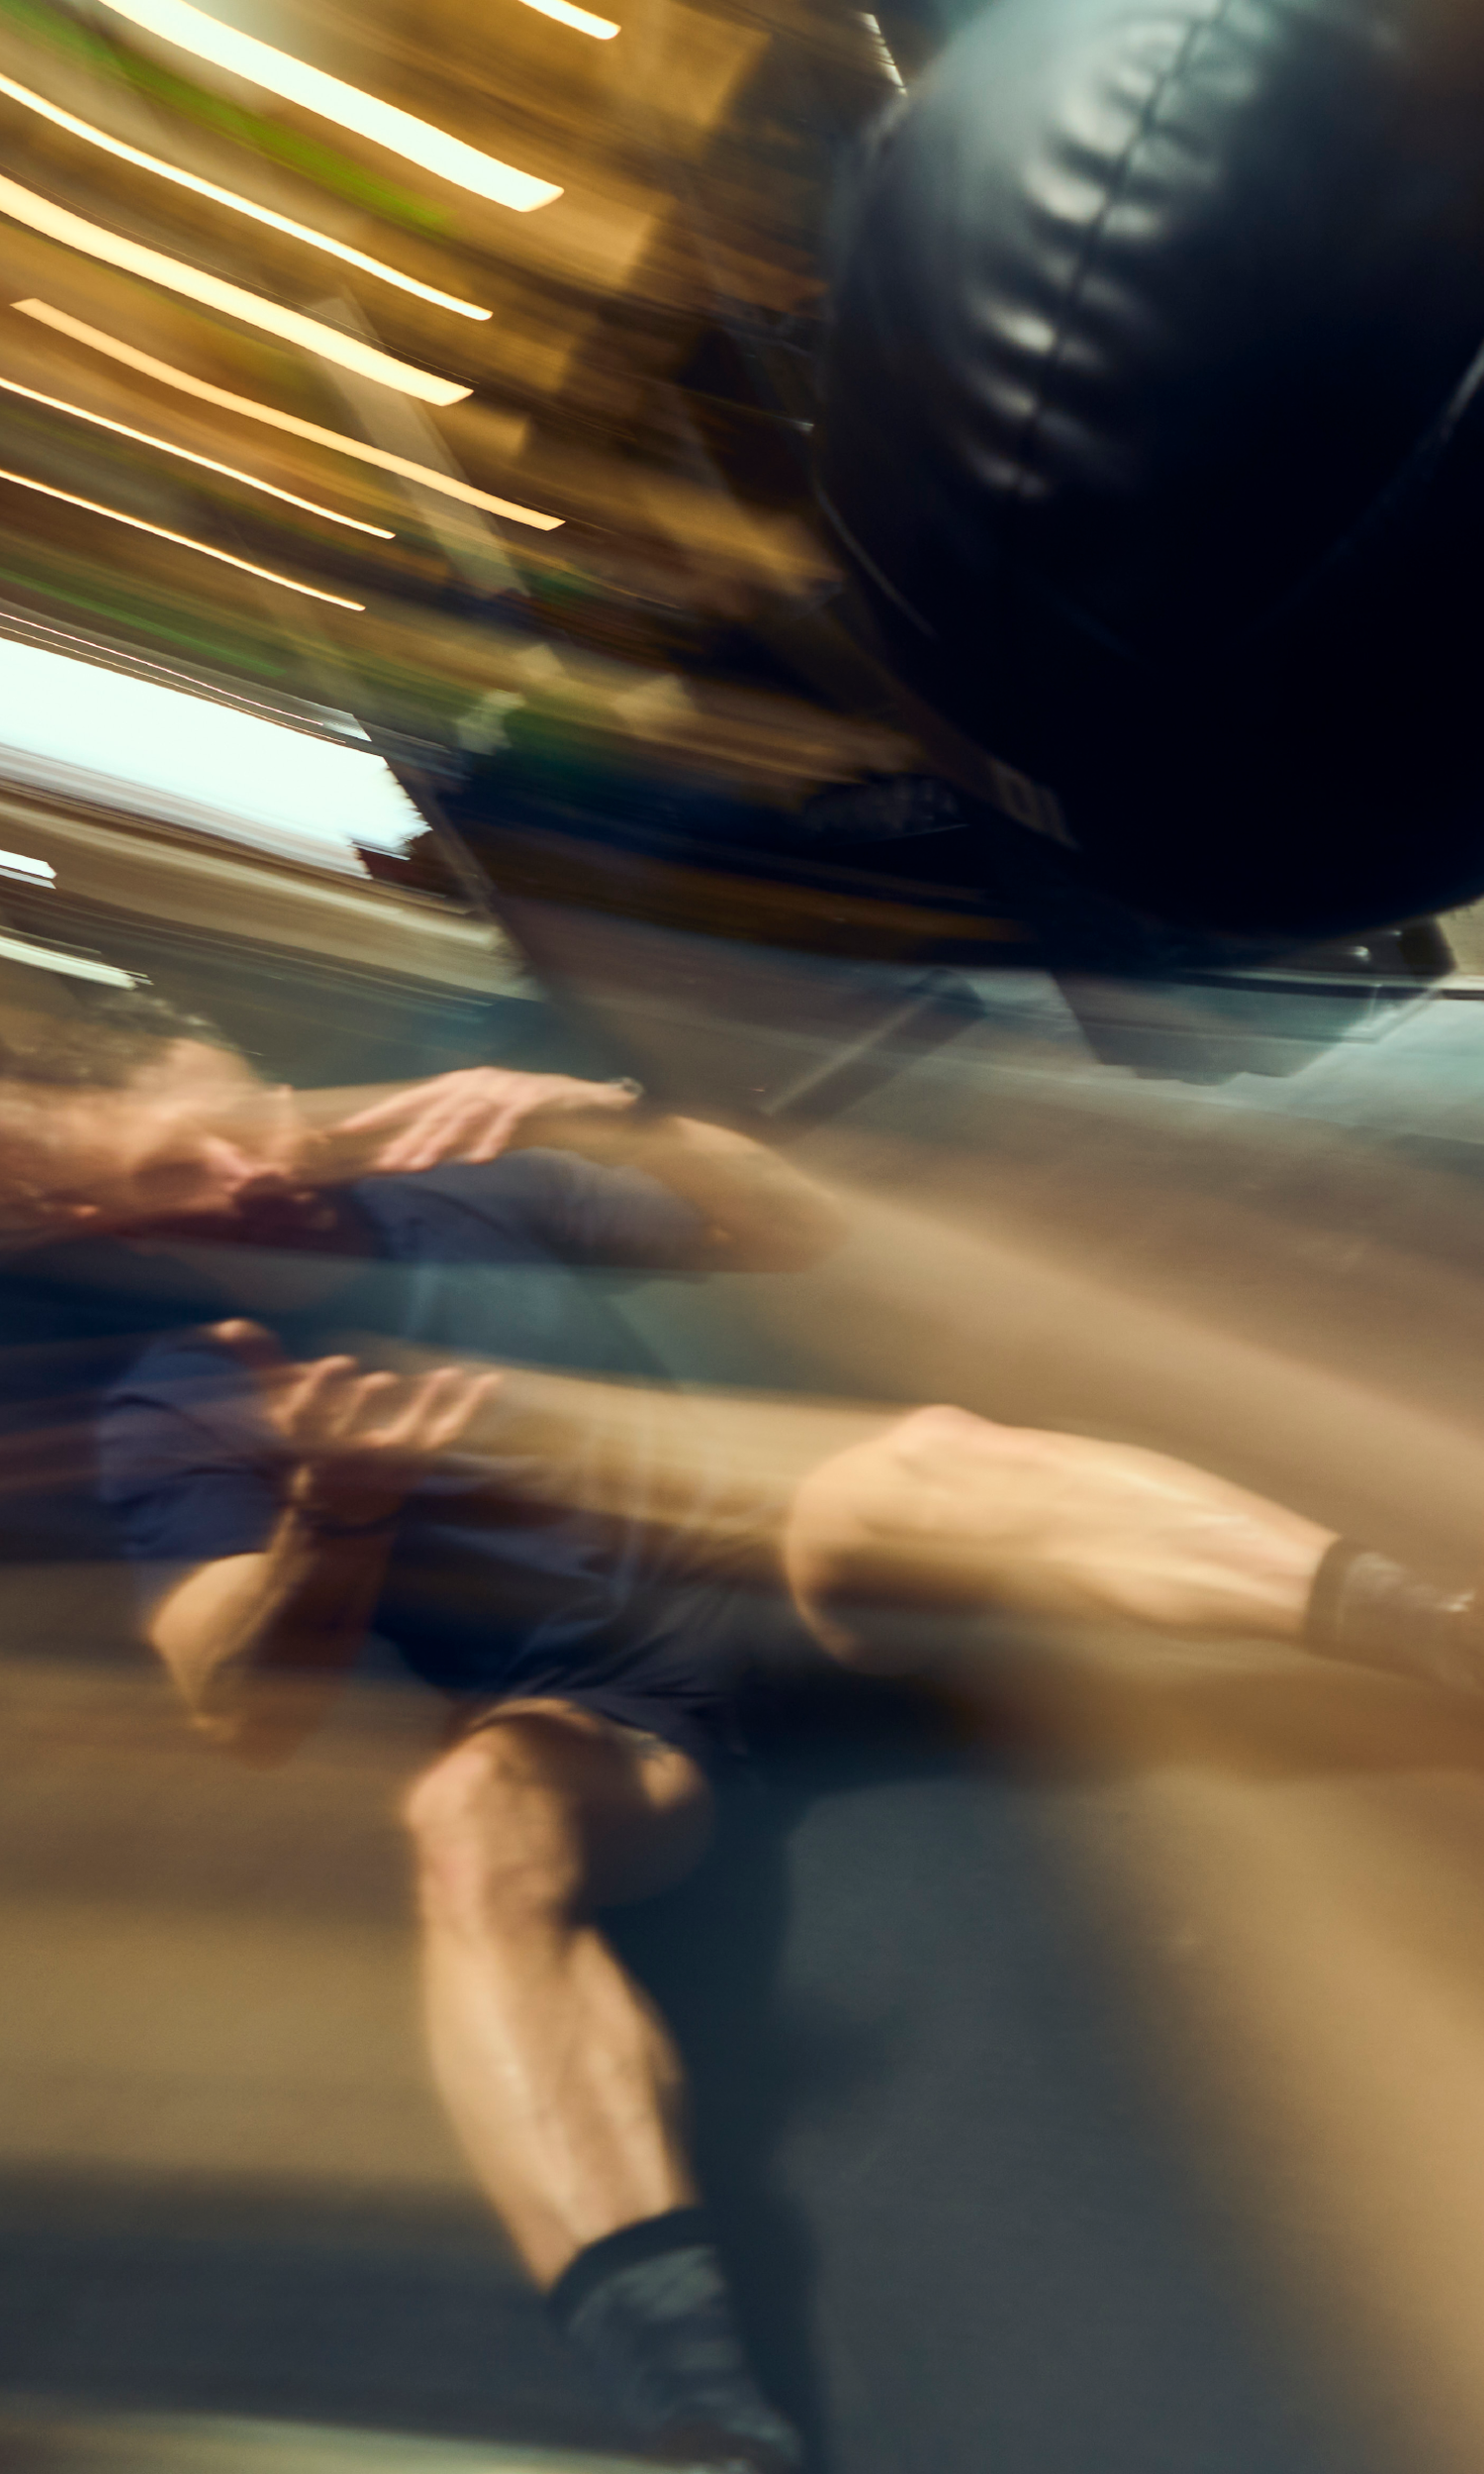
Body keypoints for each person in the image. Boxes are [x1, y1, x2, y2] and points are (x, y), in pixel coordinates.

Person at [7, 995, 1474, 2468]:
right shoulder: (187, 1397)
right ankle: (695, 2409)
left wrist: (607, 1114)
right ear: (115, 1221)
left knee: (939, 1457)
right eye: (171, 1172)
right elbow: (235, 1703)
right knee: (469, 1831)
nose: (238, 1168)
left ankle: (1439, 1628)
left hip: (780, 1577)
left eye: (240, 1118)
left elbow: (787, 1225)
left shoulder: (452, 1191)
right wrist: (339, 1516)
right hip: (599, 1714)